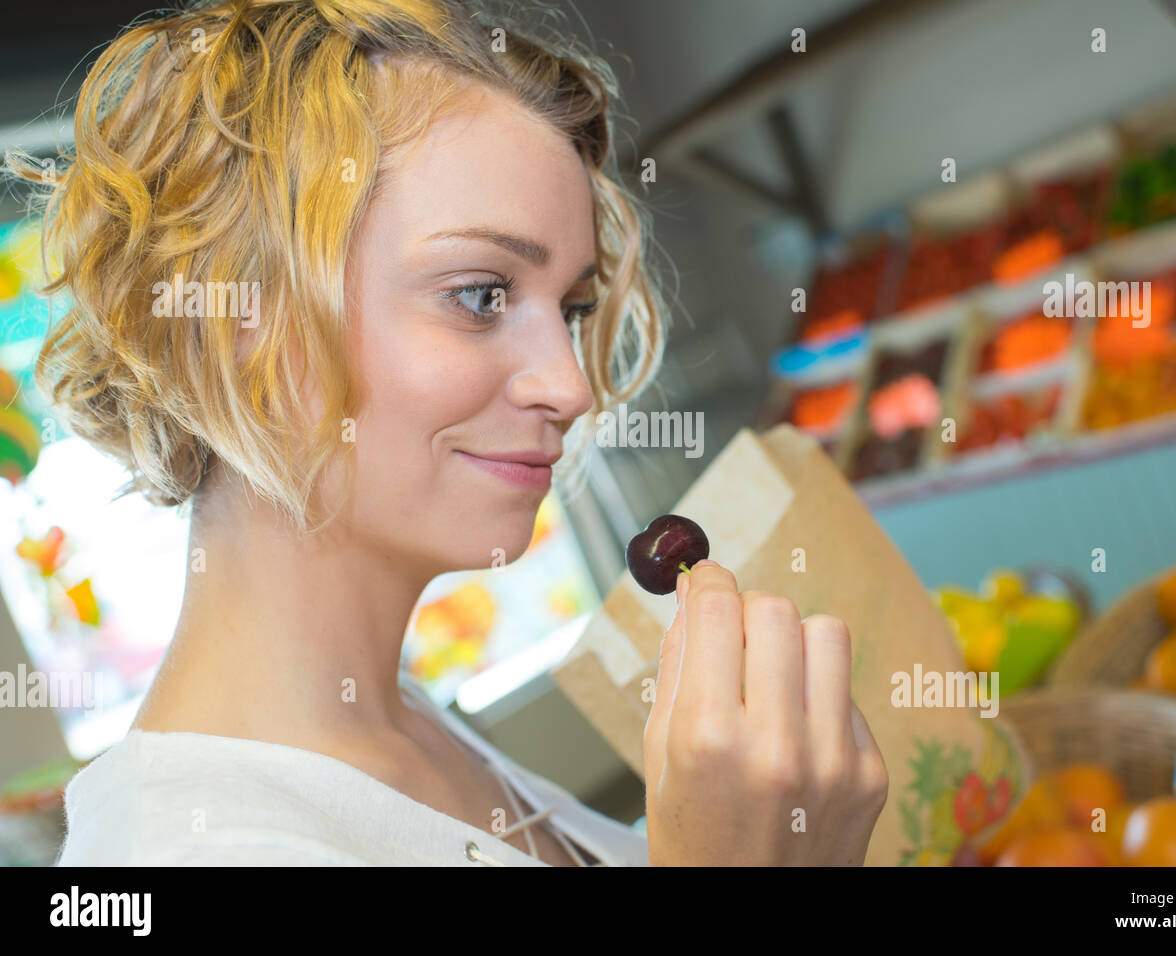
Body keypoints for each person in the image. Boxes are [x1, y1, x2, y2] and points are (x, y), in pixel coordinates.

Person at [8, 0, 887, 866]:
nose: (571, 387)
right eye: (480, 294)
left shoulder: (402, 723)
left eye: (573, 309)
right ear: (237, 324)